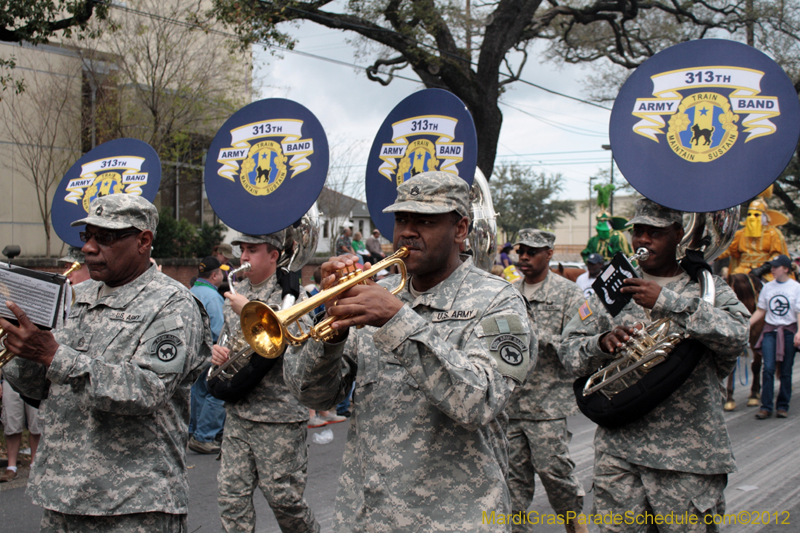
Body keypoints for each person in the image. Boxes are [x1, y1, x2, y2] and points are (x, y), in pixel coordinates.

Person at [284, 171, 536, 532]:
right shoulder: (377, 292)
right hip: (366, 517)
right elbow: (312, 393)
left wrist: (398, 320)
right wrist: (332, 329)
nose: (407, 231)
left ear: (460, 229)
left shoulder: (498, 301)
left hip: (455, 520)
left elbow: (481, 402)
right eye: (402, 219)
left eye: (426, 221)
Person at [0, 194, 211, 532]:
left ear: (143, 240)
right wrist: (23, 350)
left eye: (106, 237)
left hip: (133, 505)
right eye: (87, 236)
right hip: (62, 498)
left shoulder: (173, 304)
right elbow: (37, 390)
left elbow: (147, 390)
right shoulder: (75, 299)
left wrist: (54, 355)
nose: (89, 248)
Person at [559, 198, 749, 531]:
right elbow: (569, 354)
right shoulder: (611, 290)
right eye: (639, 232)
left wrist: (668, 302)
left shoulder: (707, 288)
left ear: (677, 234)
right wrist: (602, 343)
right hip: (620, 454)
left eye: (655, 232)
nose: (643, 240)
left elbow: (739, 336)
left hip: (688, 458)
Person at [210, 231, 319, 533]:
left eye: (252, 250)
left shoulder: (293, 296)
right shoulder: (237, 291)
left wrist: (249, 308)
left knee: (285, 501)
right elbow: (232, 343)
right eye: (242, 249)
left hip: (278, 416)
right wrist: (220, 354)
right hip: (239, 414)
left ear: (273, 255)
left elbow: (298, 344)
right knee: (231, 500)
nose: (243, 257)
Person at [507, 229, 588, 533]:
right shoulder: (508, 292)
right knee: (512, 481)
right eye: (521, 251)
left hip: (548, 405)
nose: (524, 257)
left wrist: (534, 337)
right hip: (511, 404)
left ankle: (575, 524)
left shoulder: (569, 294)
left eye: (532, 251)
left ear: (550, 254)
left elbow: (577, 346)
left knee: (555, 473)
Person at [750, 254, 800, 419]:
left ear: (785, 269)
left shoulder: (795, 287)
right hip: (770, 331)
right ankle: (766, 406)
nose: (772, 270)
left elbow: (799, 312)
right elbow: (761, 310)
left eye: (775, 267)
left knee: (785, 370)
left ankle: (782, 406)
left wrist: (799, 332)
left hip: (788, 332)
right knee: (768, 368)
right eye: (771, 267)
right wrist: (746, 325)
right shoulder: (768, 287)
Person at [188, 256, 229, 454]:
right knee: (217, 393)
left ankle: (195, 432)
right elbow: (219, 329)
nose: (223, 275)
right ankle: (204, 436)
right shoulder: (213, 297)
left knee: (198, 392)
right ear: (214, 275)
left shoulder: (190, 291)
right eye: (221, 272)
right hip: (212, 350)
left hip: (194, 350)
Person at [0, 371, 41, 483]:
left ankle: (35, 464)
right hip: (10, 375)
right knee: (11, 422)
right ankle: (11, 467)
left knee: (36, 423)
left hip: (36, 376)